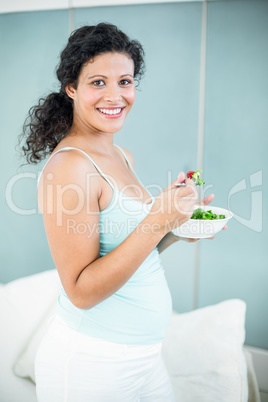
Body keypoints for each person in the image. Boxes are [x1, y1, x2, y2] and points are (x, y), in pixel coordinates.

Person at [18, 22, 226, 402]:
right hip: (91, 364)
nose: (115, 95)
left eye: (125, 82)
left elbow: (129, 251)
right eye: (98, 82)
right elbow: (80, 290)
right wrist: (157, 219)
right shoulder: (69, 168)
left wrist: (177, 228)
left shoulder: (119, 154)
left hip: (145, 358)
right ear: (71, 88)